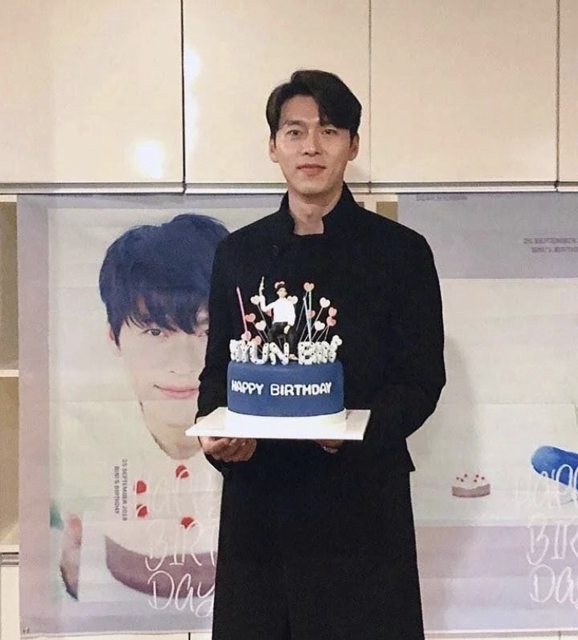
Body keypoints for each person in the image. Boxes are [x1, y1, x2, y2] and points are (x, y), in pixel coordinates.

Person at [196, 70, 446, 639]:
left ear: (352, 146)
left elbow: (422, 381)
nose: (311, 146)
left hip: (362, 505)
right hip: (261, 508)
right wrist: (218, 438)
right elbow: (217, 376)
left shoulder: (401, 253)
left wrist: (354, 432)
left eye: (329, 131)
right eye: (295, 131)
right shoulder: (238, 253)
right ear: (273, 146)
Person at [58, 214, 228, 601]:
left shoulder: (266, 436)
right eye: (155, 331)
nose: (184, 363)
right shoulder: (80, 450)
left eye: (206, 330)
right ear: (114, 338)